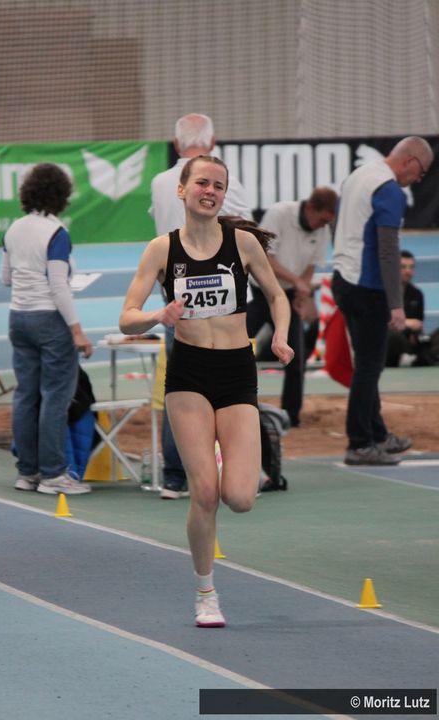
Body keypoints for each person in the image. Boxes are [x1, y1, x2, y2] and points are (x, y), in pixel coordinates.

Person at [120, 155, 293, 627]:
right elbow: (127, 317)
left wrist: (280, 335)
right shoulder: (162, 249)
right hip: (190, 373)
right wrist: (158, 316)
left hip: (236, 371)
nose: (210, 191)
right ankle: (206, 593)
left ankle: (220, 453)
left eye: (218, 185)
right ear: (182, 190)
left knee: (241, 498)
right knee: (205, 494)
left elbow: (277, 295)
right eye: (202, 182)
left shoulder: (243, 243)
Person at [150, 113, 252, 499]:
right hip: (223, 298)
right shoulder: (227, 182)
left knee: (178, 384)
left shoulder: (160, 182)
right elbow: (245, 235)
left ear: (176, 144)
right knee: (229, 387)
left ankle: (176, 477)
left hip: (175, 295)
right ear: (212, 143)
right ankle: (228, 471)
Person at [332, 136, 434, 466]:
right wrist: (396, 303)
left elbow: (339, 223)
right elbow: (389, 251)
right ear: (411, 161)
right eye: (421, 172)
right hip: (368, 288)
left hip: (344, 279)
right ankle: (360, 443)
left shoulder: (358, 176)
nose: (418, 179)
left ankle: (377, 434)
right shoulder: (389, 190)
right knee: (369, 368)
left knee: (367, 364)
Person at [1, 162, 93, 494]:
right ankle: (54, 474)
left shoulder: (13, 230)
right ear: (62, 196)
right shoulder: (57, 233)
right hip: (50, 321)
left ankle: (28, 473)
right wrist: (77, 331)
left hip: (18, 318)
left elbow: (6, 278)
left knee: (25, 396)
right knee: (55, 397)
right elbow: (58, 286)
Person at [246, 187, 337, 426]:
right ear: (311, 208)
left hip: (286, 297)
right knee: (236, 346)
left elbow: (312, 265)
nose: (323, 226)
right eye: (322, 220)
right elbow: (265, 259)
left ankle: (291, 415)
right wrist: (297, 282)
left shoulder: (322, 229)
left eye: (327, 222)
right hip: (261, 292)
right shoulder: (279, 214)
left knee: (296, 357)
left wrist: (301, 292)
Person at [385, 250, 436, 367]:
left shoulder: (417, 294)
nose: (408, 271)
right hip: (392, 341)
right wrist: (406, 323)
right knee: (391, 336)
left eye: (411, 267)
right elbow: (378, 322)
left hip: (410, 343)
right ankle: (419, 359)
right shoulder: (383, 293)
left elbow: (419, 325)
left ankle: (417, 358)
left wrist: (418, 334)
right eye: (403, 267)